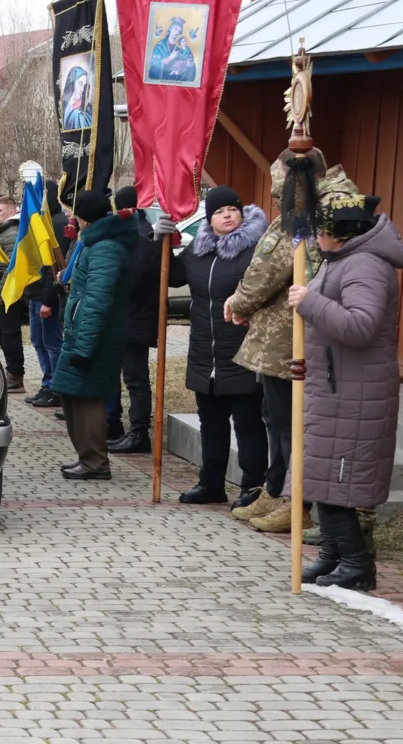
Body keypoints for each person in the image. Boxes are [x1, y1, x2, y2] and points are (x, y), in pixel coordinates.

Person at [288, 179, 403, 591]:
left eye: (321, 231)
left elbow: (360, 326)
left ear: (340, 234)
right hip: (334, 386)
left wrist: (309, 301)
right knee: (321, 478)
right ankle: (333, 556)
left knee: (337, 483)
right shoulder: (341, 261)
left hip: (355, 393)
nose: (316, 238)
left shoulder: (365, 265)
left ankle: (356, 564)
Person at [226, 151, 330, 531]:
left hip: (290, 338)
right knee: (275, 419)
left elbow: (269, 270)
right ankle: (275, 488)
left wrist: (238, 302)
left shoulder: (304, 215)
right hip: (276, 338)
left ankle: (294, 500)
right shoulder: (300, 210)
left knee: (289, 424)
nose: (274, 190)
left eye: (279, 181)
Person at [159, 186, 269, 504]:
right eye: (219, 212)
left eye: (232, 210)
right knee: (211, 422)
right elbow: (171, 276)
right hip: (205, 352)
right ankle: (211, 483)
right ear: (210, 219)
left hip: (243, 349)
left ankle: (253, 486)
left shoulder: (256, 250)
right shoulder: (199, 251)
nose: (226, 215)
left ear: (242, 213)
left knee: (248, 423)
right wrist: (162, 243)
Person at [52, 190, 138, 482]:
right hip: (82, 333)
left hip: (94, 337)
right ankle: (86, 457)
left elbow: (97, 301)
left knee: (87, 396)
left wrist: (84, 347)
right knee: (72, 391)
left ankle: (95, 462)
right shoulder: (95, 243)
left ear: (82, 218)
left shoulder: (105, 248)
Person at [106, 187, 164, 453]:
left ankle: (139, 432)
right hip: (134, 316)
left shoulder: (136, 236)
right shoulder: (141, 230)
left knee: (136, 378)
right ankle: (132, 429)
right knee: (131, 376)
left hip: (133, 317)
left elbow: (134, 279)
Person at [24, 188, 69, 408]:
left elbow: (54, 267)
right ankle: (47, 383)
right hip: (35, 294)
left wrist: (48, 300)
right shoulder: (39, 222)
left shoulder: (57, 225)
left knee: (52, 344)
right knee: (38, 342)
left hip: (46, 296)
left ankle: (57, 387)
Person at [0, 195, 26, 393]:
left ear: (11, 211)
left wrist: (0, 294)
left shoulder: (11, 234)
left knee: (10, 336)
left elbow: (11, 269)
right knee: (3, 334)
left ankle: (16, 375)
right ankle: (12, 372)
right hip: (1, 294)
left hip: (9, 296)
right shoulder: (1, 232)